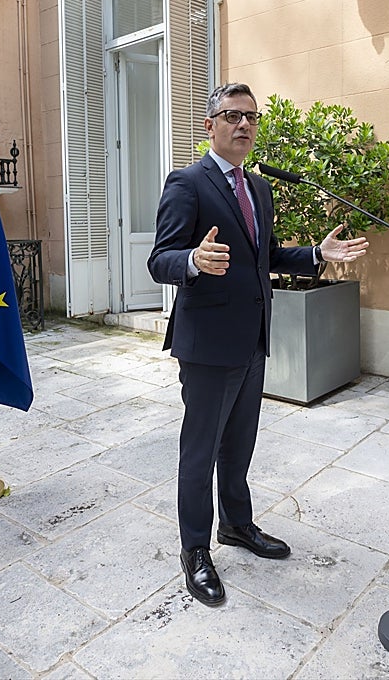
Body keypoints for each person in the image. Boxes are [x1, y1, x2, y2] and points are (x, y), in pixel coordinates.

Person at [148, 83, 369, 607]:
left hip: (252, 340)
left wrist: (316, 254)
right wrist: (192, 261)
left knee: (239, 443)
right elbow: (160, 259)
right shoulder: (187, 183)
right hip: (207, 345)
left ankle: (236, 524)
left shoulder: (259, 188)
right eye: (232, 116)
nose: (244, 124)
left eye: (251, 116)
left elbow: (263, 255)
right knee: (200, 452)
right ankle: (195, 550)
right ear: (210, 125)